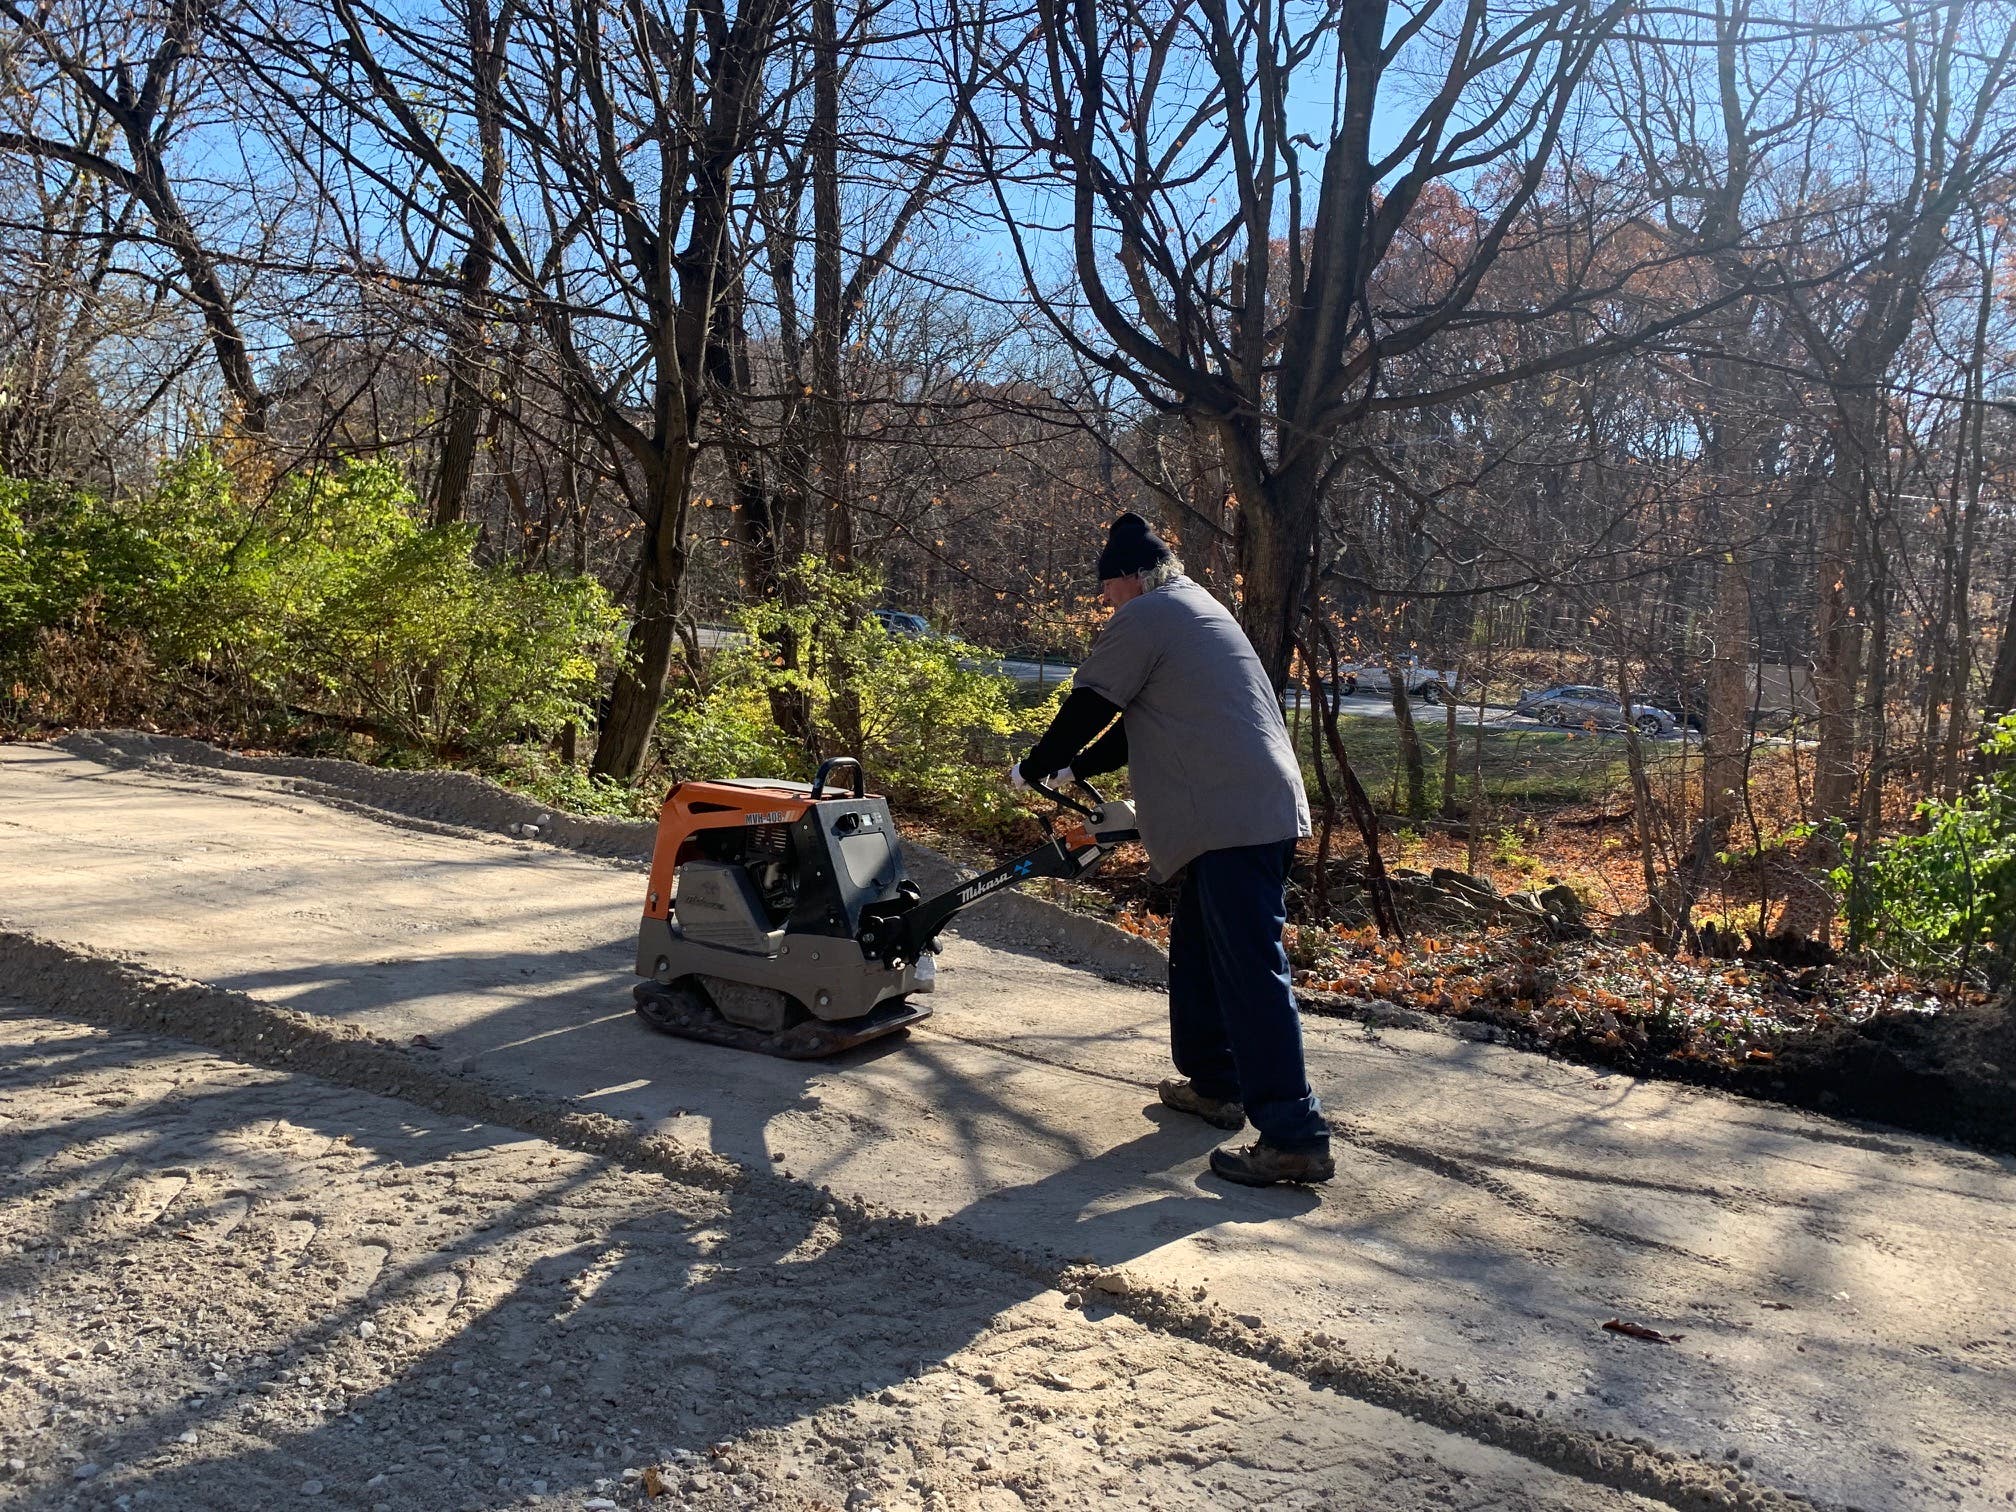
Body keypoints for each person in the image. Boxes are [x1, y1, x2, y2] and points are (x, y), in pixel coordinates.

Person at [1009, 512, 1333, 1186]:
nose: (1105, 602)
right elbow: (1141, 722)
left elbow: (1091, 703)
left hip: (1232, 815)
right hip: (1248, 809)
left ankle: (1295, 1135)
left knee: (1248, 968)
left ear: (1130, 576)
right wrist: (1079, 770)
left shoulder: (1148, 616)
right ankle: (1216, 1085)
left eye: (1106, 590)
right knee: (1198, 953)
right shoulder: (1198, 611)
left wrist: (1037, 763)